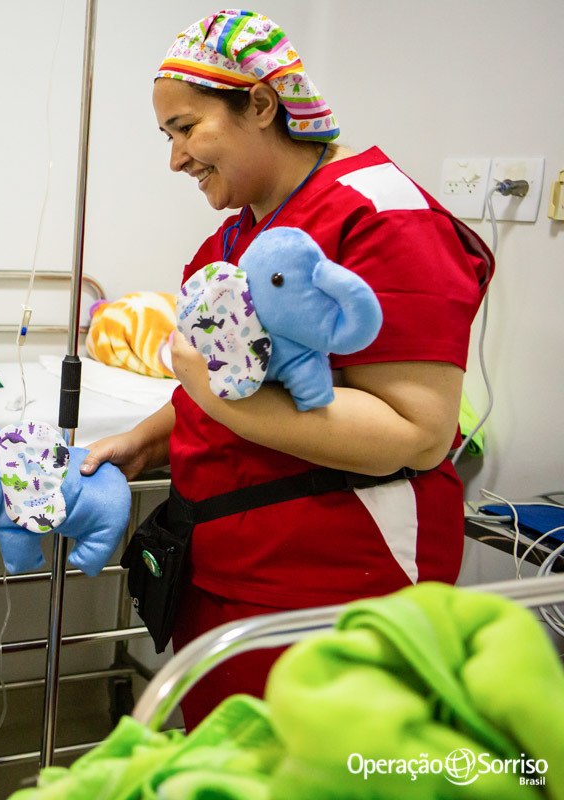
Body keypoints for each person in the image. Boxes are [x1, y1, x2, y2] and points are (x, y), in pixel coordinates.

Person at [80, 9, 492, 728]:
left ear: (263, 105)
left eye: (185, 129)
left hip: (335, 580)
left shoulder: (382, 216)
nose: (175, 160)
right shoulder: (239, 233)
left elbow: (418, 432)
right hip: (223, 572)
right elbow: (235, 381)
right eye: (167, 136)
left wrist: (207, 387)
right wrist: (144, 440)